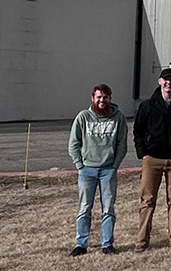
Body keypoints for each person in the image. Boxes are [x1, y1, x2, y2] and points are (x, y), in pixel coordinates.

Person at [133, 67, 171, 251]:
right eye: (165, 80)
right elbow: (138, 132)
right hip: (152, 160)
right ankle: (142, 240)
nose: (168, 83)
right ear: (160, 82)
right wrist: (143, 153)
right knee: (147, 201)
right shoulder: (147, 106)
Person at [67, 84, 128, 256]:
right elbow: (73, 144)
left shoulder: (118, 117)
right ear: (92, 98)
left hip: (108, 170)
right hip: (87, 170)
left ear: (110, 98)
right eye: (99, 97)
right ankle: (81, 244)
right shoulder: (83, 117)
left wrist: (114, 165)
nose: (102, 100)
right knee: (84, 207)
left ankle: (107, 244)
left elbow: (122, 144)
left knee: (108, 208)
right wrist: (80, 165)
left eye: (106, 97)